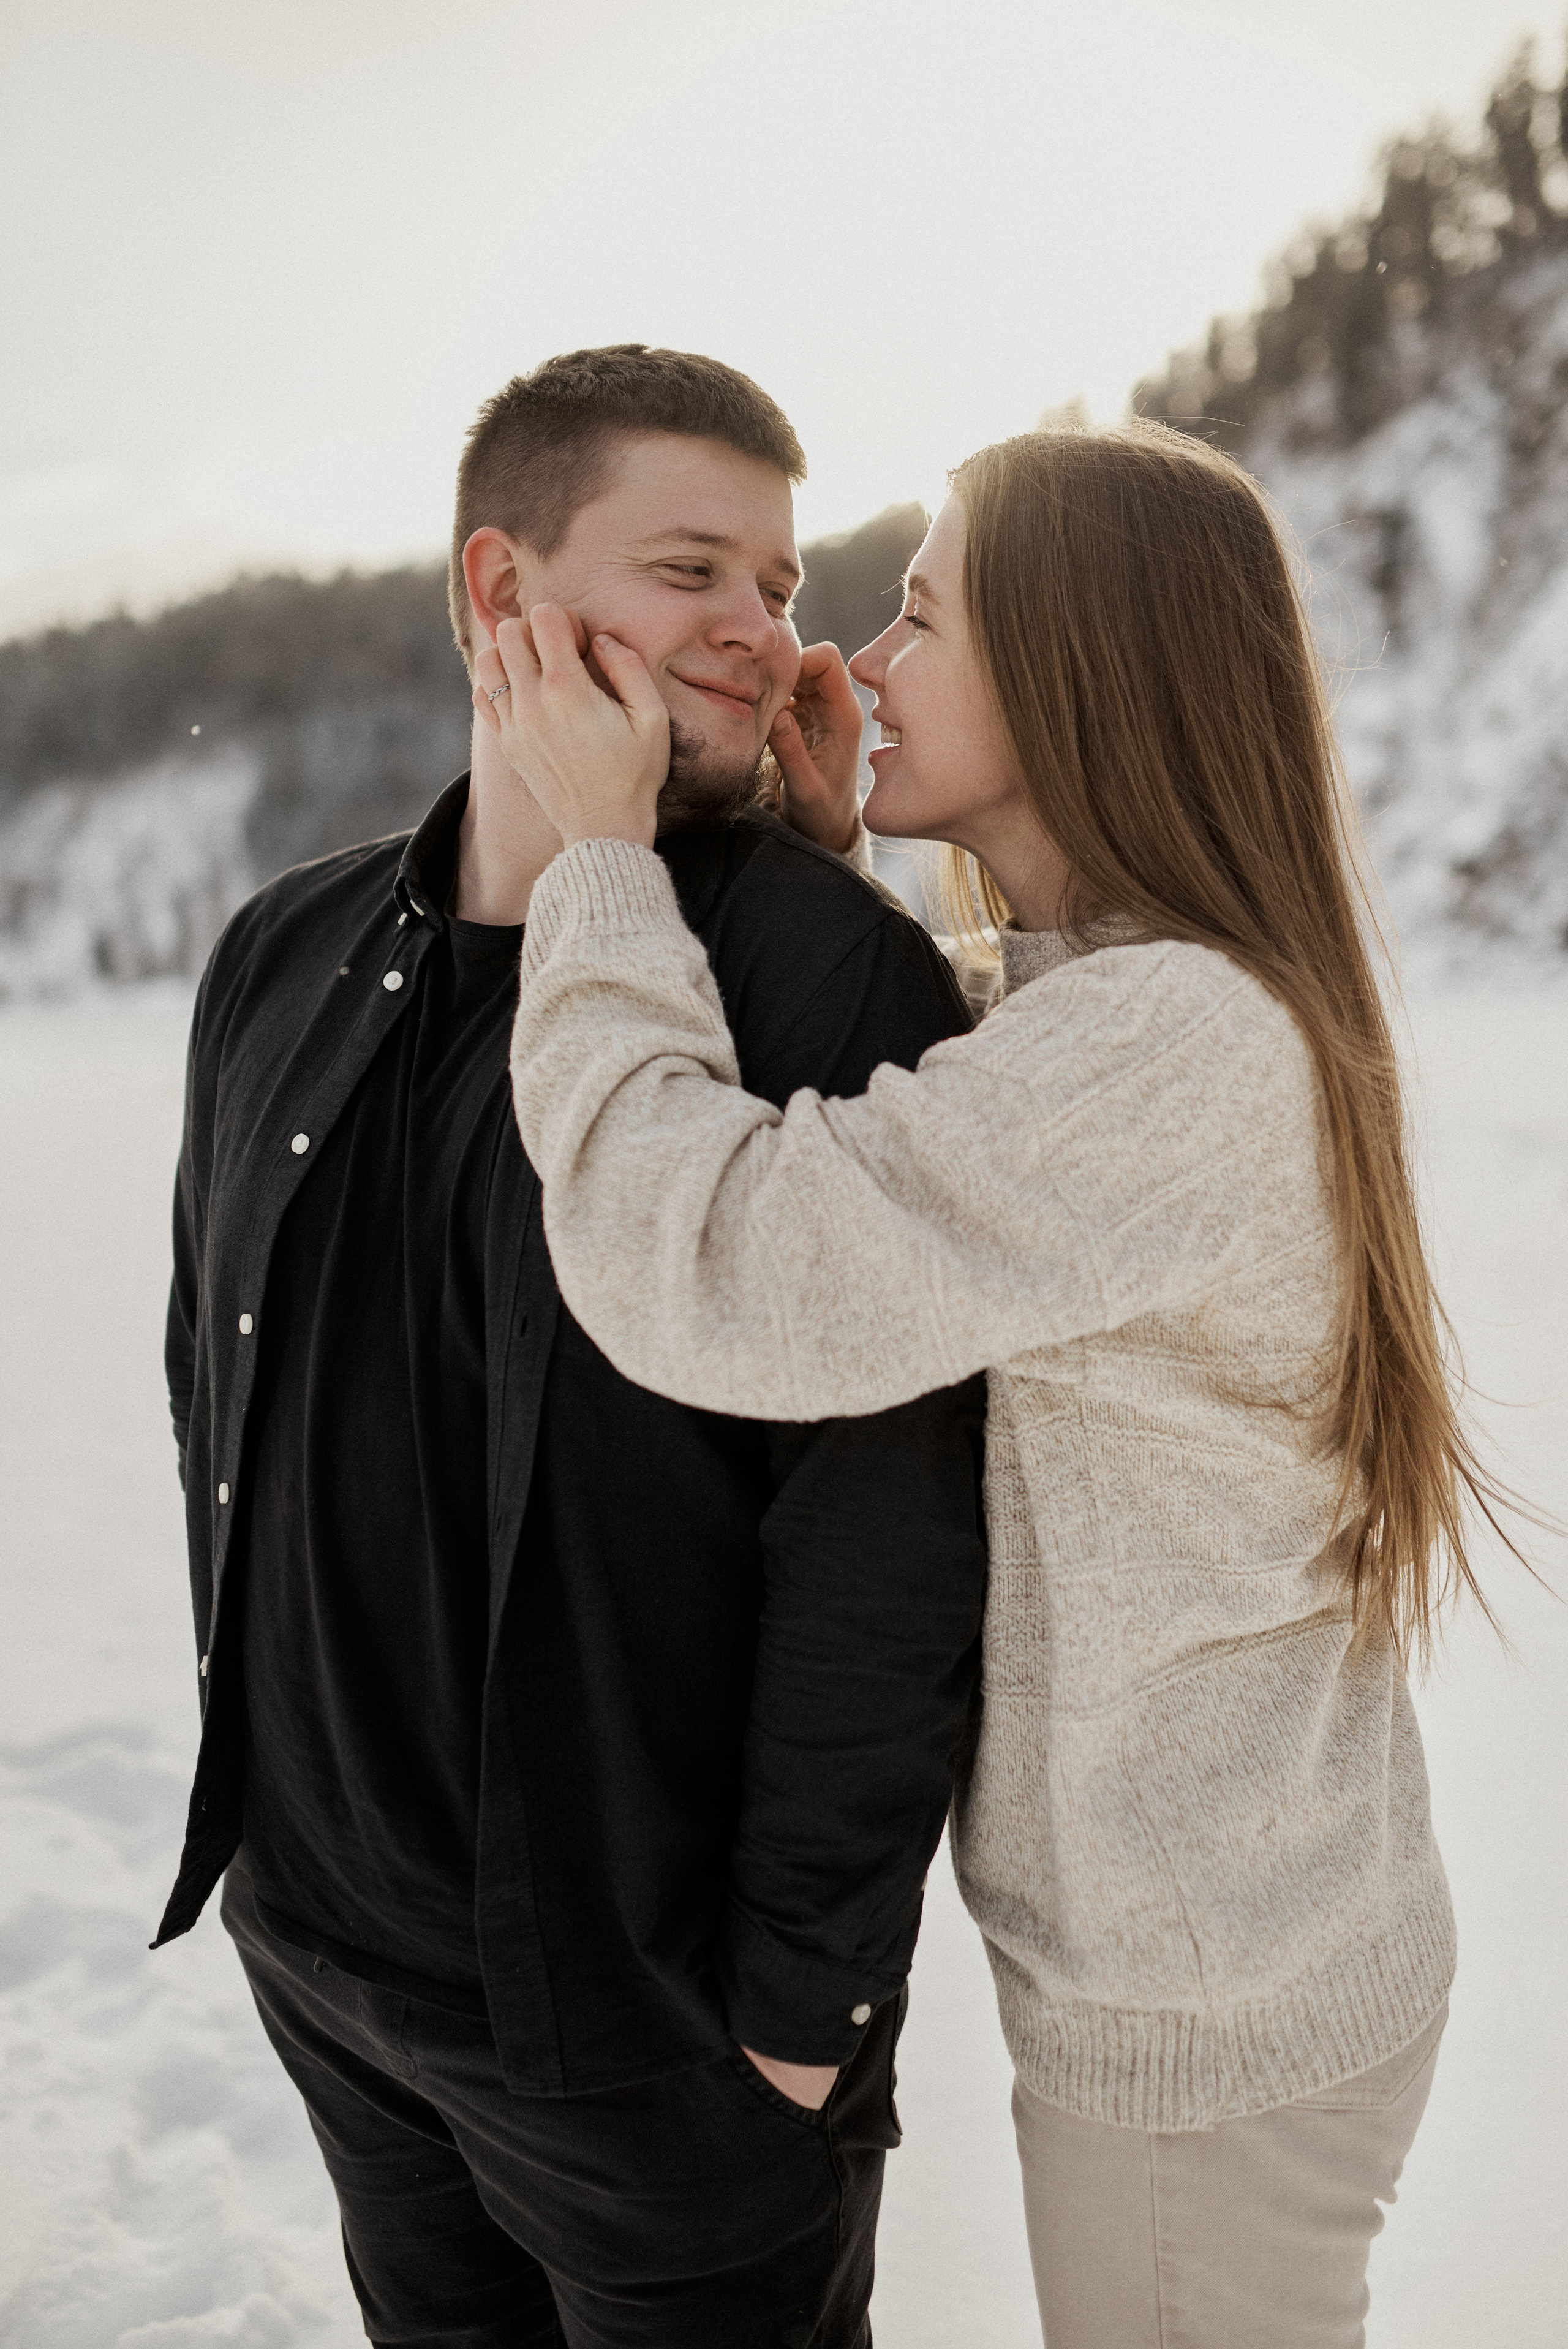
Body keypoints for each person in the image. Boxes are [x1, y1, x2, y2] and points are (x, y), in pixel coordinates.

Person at [484, 422, 1496, 2348]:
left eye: (925, 616)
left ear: (1076, 672)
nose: (857, 661)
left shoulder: (1169, 1042)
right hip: (1243, 1963)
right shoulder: (1135, 1005)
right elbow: (977, 1146)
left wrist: (600, 869)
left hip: (1206, 2034)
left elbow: (714, 1261)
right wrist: (826, 877)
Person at [155, 344, 989, 2349]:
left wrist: (798, 2020)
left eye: (779, 583)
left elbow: (885, 1541)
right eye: (691, 568)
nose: (759, 628)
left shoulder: (822, 971)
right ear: (496, 592)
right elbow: (222, 1380)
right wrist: (269, 1864)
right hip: (330, 1973)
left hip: (653, 2043)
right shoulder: (281, 951)